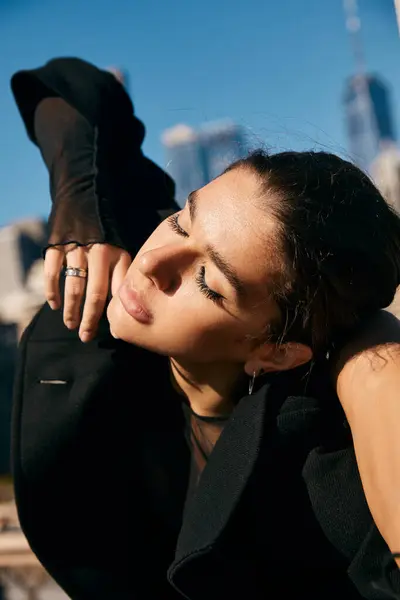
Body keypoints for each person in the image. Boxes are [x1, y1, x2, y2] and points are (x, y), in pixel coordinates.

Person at [10, 57, 400, 600]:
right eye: (180, 221)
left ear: (278, 351)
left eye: (209, 282)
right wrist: (81, 210)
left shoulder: (322, 466)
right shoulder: (107, 314)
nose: (153, 263)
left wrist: (377, 371)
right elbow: (71, 86)